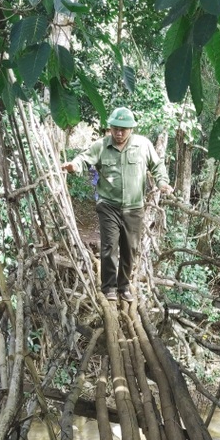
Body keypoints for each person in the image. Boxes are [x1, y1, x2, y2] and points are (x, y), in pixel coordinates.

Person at [62, 107, 173, 302]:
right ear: (110, 128)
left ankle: (124, 286)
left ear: (131, 129)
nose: (119, 133)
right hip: (108, 206)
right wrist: (74, 166)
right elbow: (83, 159)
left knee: (130, 248)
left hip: (134, 207)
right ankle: (109, 287)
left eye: (123, 129)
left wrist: (162, 182)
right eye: (115, 128)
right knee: (109, 247)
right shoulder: (101, 146)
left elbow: (157, 165)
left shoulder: (143, 145)